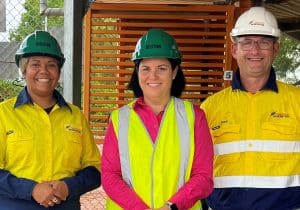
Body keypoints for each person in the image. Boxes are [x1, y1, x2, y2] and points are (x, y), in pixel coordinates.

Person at [101, 28, 213, 210]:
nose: (152, 76)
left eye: (162, 68)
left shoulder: (195, 117)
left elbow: (203, 176)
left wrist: (171, 206)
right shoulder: (119, 118)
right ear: (137, 72)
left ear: (174, 71)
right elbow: (110, 175)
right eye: (145, 68)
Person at [201, 7, 300, 210]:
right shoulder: (210, 108)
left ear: (276, 49)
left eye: (263, 42)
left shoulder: (297, 101)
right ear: (234, 49)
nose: (255, 50)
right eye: (246, 42)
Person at [0, 30, 101, 210]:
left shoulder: (76, 116)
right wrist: (31, 189)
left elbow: (95, 170)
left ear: (59, 72)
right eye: (35, 64)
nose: (44, 71)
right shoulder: (3, 114)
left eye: (51, 65)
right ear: (23, 71)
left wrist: (69, 187)